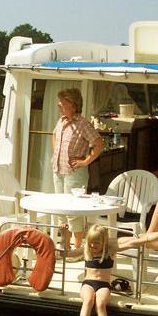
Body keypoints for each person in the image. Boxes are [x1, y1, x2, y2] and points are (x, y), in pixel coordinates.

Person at [52, 88, 105, 256]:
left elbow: (99, 144)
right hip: (59, 170)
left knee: (74, 211)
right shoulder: (61, 121)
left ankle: (78, 249)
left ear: (73, 104)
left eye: (63, 102)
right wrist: (56, 155)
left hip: (75, 173)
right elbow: (54, 136)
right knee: (61, 209)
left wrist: (85, 161)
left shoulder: (82, 123)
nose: (59, 104)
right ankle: (65, 246)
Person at [79, 224, 116, 316]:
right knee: (88, 300)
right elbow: (66, 252)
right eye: (91, 243)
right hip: (88, 283)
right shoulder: (86, 251)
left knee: (100, 304)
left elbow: (134, 242)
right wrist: (63, 233)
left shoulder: (109, 252)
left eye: (97, 243)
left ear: (104, 242)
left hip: (103, 284)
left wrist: (157, 236)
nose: (93, 246)